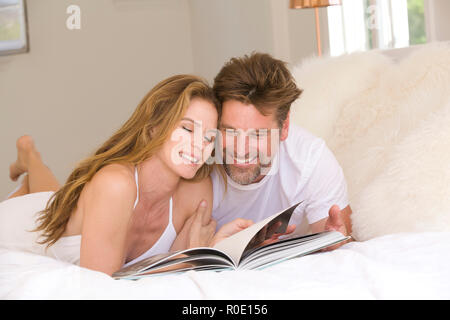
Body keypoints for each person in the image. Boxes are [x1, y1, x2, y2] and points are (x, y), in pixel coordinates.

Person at [1, 75, 255, 276]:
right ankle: (30, 157)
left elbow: (170, 271)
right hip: (22, 228)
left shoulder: (196, 192)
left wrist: (212, 249)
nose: (200, 145)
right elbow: (102, 289)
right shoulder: (115, 185)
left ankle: (29, 159)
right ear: (154, 127)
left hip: (60, 206)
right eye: (187, 128)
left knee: (51, 194)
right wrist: (188, 260)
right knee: (44, 199)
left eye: (210, 137)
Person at [210, 52, 353, 249]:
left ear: (284, 127)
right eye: (230, 131)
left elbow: (346, 248)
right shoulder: (196, 157)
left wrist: (333, 243)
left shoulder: (310, 160)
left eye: (257, 134)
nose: (241, 150)